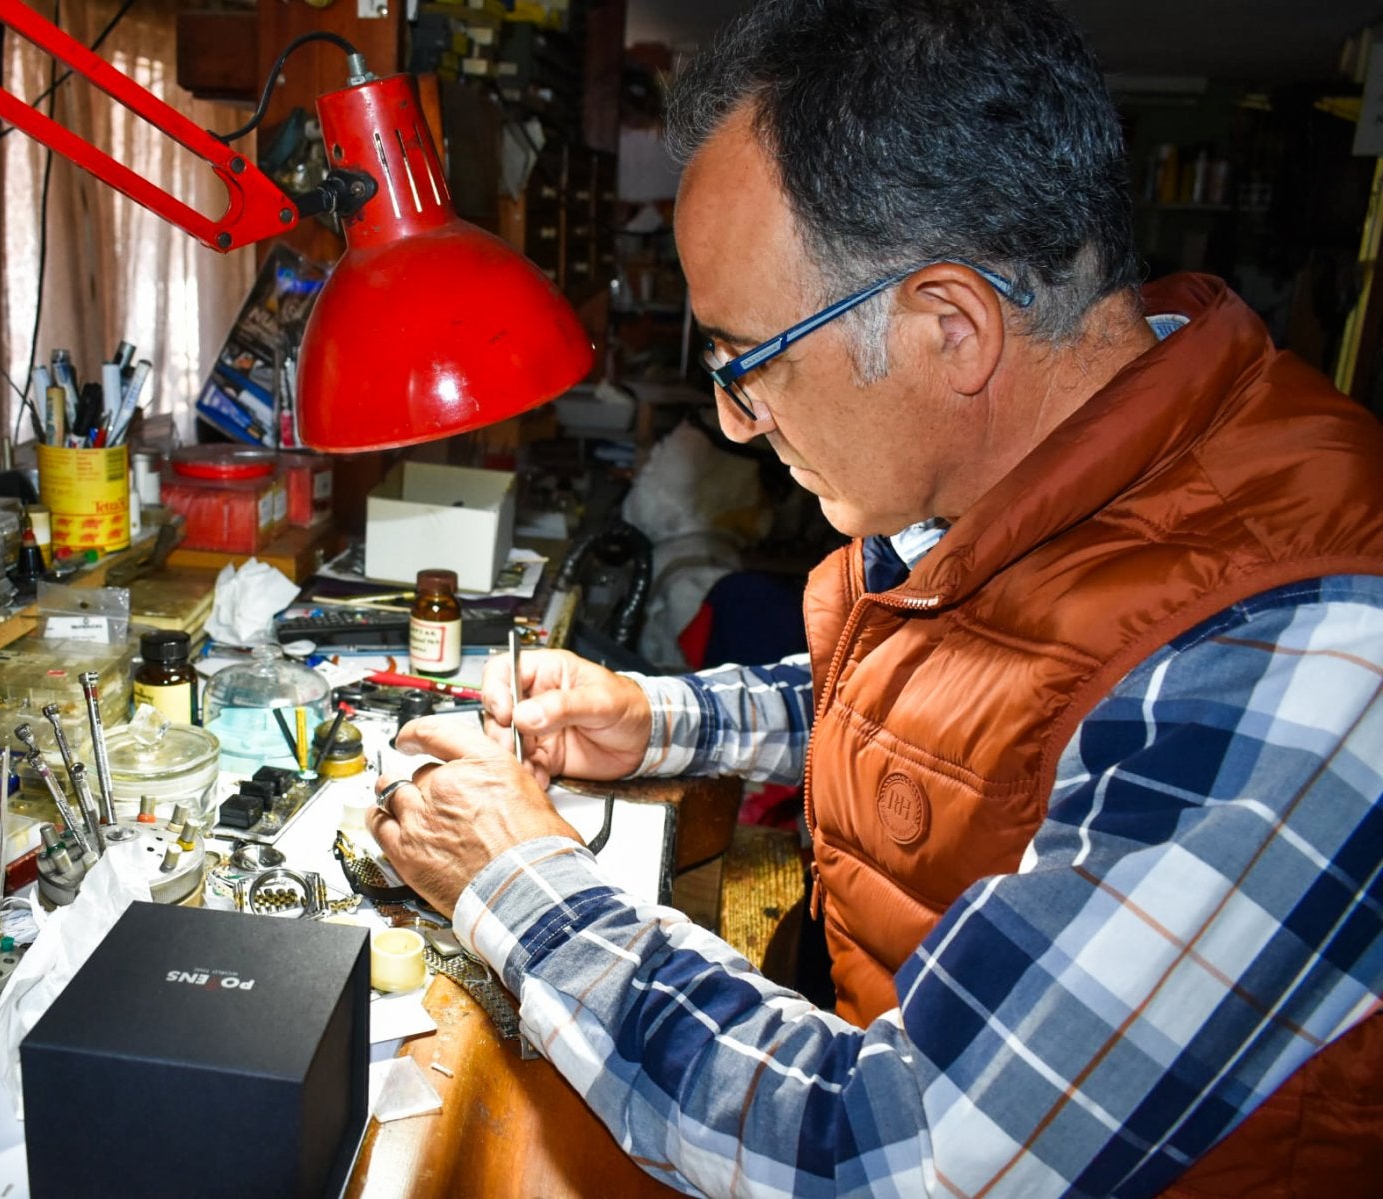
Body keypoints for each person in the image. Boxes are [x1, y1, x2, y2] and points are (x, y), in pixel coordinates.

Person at [366, 1, 1383, 1195]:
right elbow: (967, 701)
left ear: (950, 328)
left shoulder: (1309, 659)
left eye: (749, 361)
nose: (735, 421)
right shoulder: (1048, 469)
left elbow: (893, 1157)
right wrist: (654, 718)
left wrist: (517, 874)